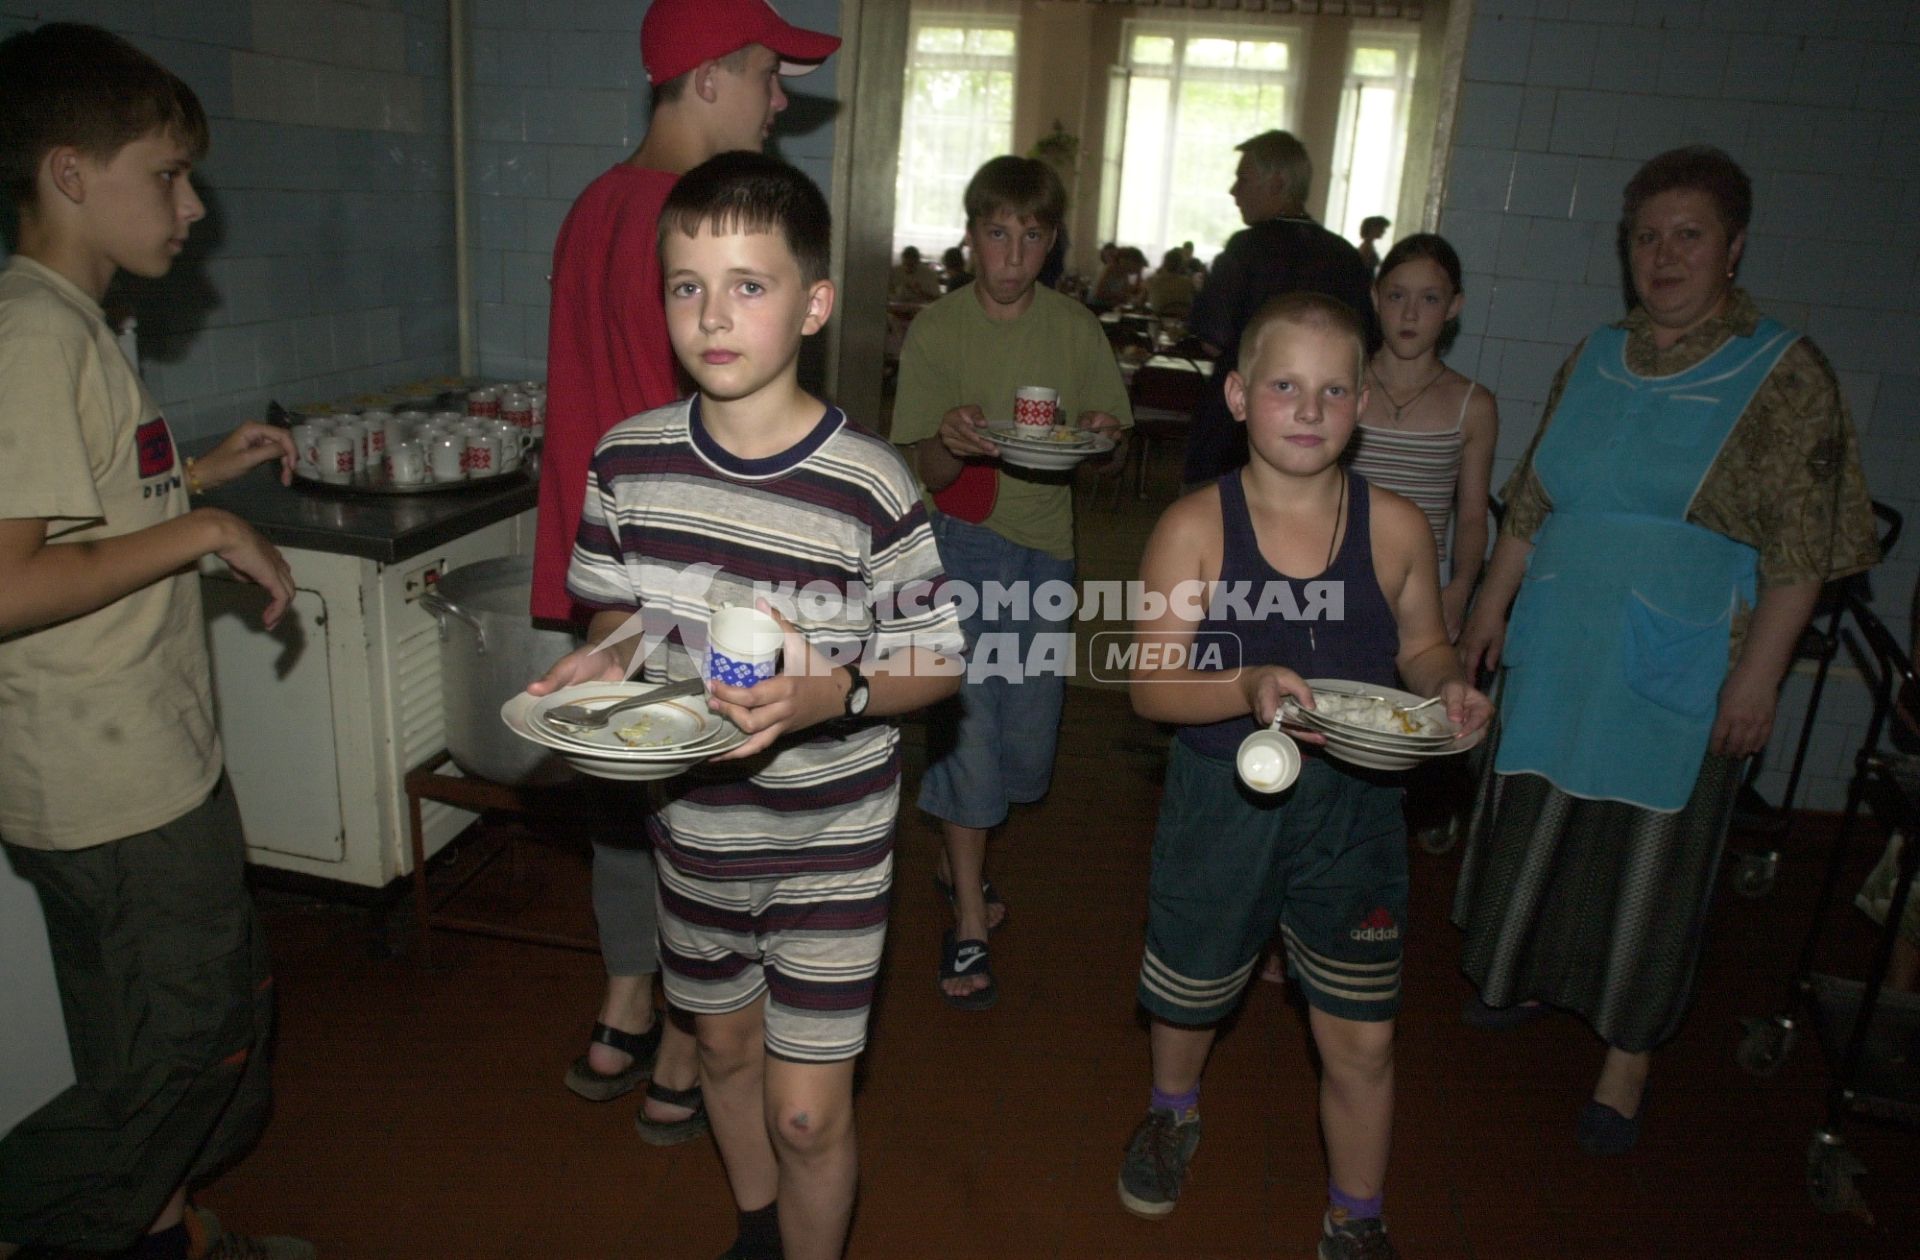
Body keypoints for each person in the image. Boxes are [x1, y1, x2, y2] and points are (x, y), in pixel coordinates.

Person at [529, 151, 964, 1260]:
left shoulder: (870, 483)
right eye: (687, 285)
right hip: (694, 833)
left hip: (832, 837)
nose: (712, 314)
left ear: (814, 304)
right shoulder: (628, 460)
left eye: (749, 285)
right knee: (722, 1056)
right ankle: (760, 1229)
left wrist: (839, 692)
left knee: (807, 1107)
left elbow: (939, 661)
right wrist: (606, 659)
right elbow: (620, 616)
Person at [1453, 146, 1881, 1156]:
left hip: (1677, 658)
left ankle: (1627, 1057)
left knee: (1651, 856)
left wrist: (1758, 676)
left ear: (1734, 247)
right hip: (1559, 640)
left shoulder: (1784, 373)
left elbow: (1802, 553)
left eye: (1689, 234)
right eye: (1646, 236)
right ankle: (1516, 975)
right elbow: (1533, 501)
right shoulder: (1596, 355)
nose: (1664, 254)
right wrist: (1487, 605)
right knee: (1535, 818)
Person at [0, 23, 309, 1260]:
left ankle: (159, 1237)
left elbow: (90, 511)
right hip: (110, 789)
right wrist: (207, 531)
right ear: (70, 173)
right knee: (190, 1042)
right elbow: (12, 583)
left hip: (137, 766)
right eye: (167, 175)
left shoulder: (71, 324)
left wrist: (191, 478)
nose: (190, 206)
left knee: (154, 1031)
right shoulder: (33, 333)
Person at [1117, 292, 1491, 1260]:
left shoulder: (1398, 527)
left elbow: (1423, 649)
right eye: (1285, 385)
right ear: (1239, 396)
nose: (1310, 408)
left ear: (1362, 402)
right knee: (1191, 989)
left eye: (1333, 389)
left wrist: (1449, 689)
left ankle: (1355, 1215)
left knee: (1363, 1033)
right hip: (1223, 802)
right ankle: (1171, 1111)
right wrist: (1245, 683)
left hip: (1358, 812)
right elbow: (1150, 689)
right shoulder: (1194, 527)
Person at [529, 0, 839, 1142]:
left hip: (599, 561)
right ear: (705, 77)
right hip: (685, 566)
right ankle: (680, 1044)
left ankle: (627, 1010)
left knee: (633, 796)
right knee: (710, 796)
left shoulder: (591, 209)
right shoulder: (703, 227)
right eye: (766, 72)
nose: (780, 98)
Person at [891, 156, 1131, 1008]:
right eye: (998, 233)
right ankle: (967, 920)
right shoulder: (938, 330)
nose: (1012, 254)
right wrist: (947, 442)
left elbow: (1113, 451)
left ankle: (958, 847)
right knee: (974, 733)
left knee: (1028, 750)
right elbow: (916, 461)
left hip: (1047, 557)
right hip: (960, 543)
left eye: (1031, 236)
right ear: (971, 236)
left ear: (1053, 242)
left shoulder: (1075, 330)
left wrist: (1101, 434)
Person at [1183, 130, 1376, 486]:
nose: (1233, 191)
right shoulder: (1345, 257)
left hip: (1232, 438)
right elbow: (1365, 349)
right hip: (1317, 436)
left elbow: (1212, 336)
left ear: (1278, 183)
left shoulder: (1246, 249)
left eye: (1243, 179)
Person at [1349, 234, 1498, 641]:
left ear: (1453, 306)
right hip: (1332, 581)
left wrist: (1460, 589)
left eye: (1430, 299)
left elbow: (1470, 516)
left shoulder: (1474, 405)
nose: (1410, 315)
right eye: (1397, 296)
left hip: (1418, 590)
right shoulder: (1341, 385)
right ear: (1376, 298)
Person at [1143, 247, 1196, 319]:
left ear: (1164, 263)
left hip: (1157, 322)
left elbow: (1140, 303)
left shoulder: (1151, 281)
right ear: (1181, 265)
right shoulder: (1188, 283)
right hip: (1181, 322)